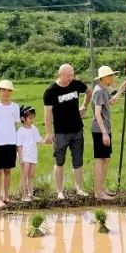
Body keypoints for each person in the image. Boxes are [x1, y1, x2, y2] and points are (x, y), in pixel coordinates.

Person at [42, 63, 92, 200]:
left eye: (72, 75)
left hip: (77, 130)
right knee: (59, 161)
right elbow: (47, 114)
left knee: (78, 160)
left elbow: (89, 91)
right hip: (61, 132)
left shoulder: (76, 84)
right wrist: (49, 133)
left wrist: (84, 107)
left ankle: (79, 189)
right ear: (60, 74)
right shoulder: (51, 91)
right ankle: (60, 191)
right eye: (68, 76)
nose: (71, 78)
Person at [90, 65, 126, 201]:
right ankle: (98, 192)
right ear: (103, 78)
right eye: (110, 76)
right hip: (100, 130)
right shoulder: (99, 91)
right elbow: (97, 113)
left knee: (105, 159)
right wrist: (104, 133)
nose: (112, 78)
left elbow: (112, 101)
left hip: (104, 129)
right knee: (100, 160)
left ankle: (102, 188)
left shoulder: (103, 90)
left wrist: (121, 89)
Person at [0, 79, 21, 209]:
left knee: (7, 170)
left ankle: (6, 196)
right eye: (3, 90)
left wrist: (10, 137)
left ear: (11, 92)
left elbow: (15, 124)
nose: (6, 92)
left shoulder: (15, 107)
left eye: (8, 90)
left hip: (11, 142)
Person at [15, 106, 43, 202]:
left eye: (33, 118)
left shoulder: (34, 128)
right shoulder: (20, 131)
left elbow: (39, 140)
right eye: (30, 118)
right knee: (24, 175)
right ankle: (24, 196)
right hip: (25, 156)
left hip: (33, 155)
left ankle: (31, 194)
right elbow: (19, 146)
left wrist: (48, 140)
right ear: (23, 118)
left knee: (31, 175)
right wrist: (20, 158)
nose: (32, 120)